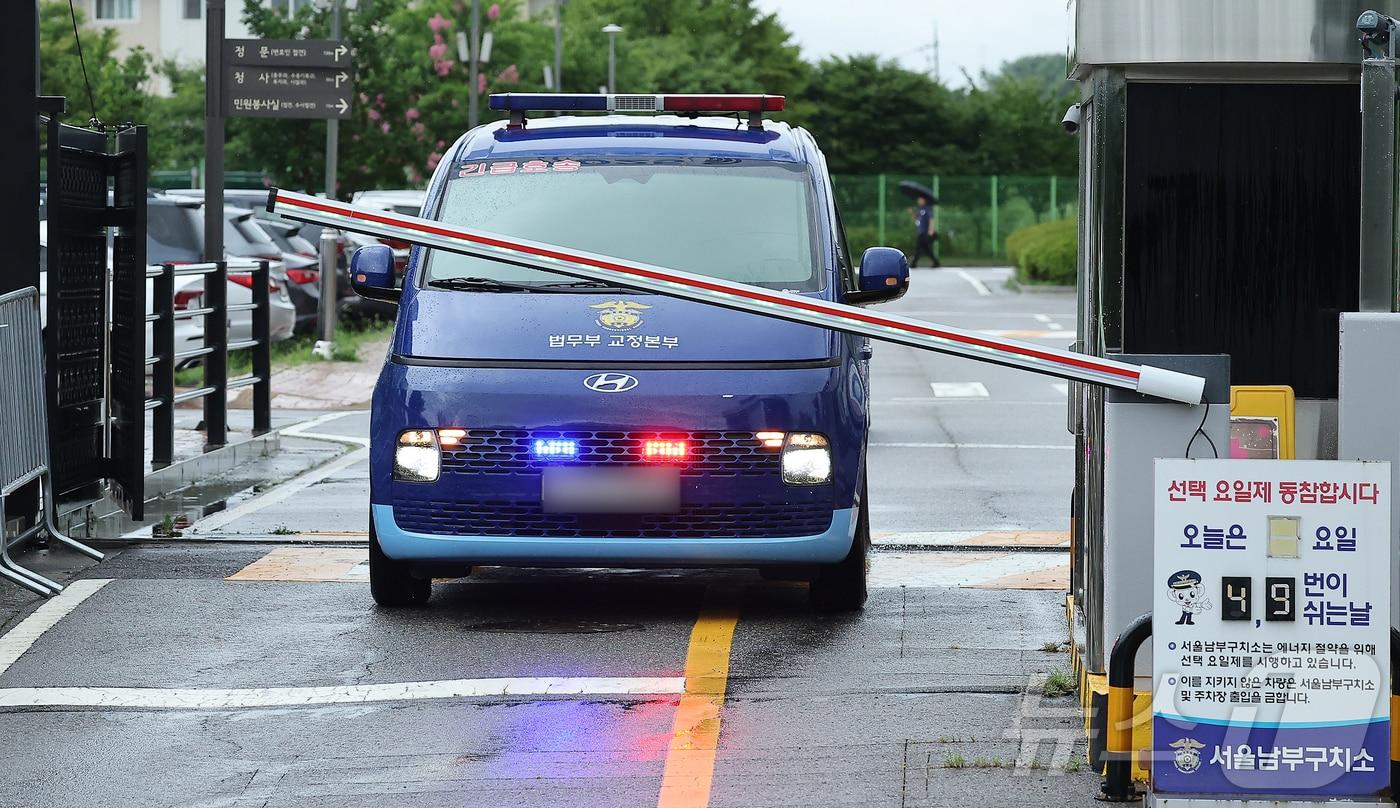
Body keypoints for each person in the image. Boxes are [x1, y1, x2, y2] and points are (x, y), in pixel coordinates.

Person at [910, 195, 940, 268]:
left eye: (920, 199)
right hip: (920, 232)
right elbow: (917, 221)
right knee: (927, 249)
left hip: (925, 232)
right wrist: (912, 214)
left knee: (919, 248)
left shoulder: (927, 209)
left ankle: (914, 263)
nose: (919, 201)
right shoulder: (920, 210)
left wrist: (931, 230)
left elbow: (931, 219)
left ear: (924, 200)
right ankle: (936, 262)